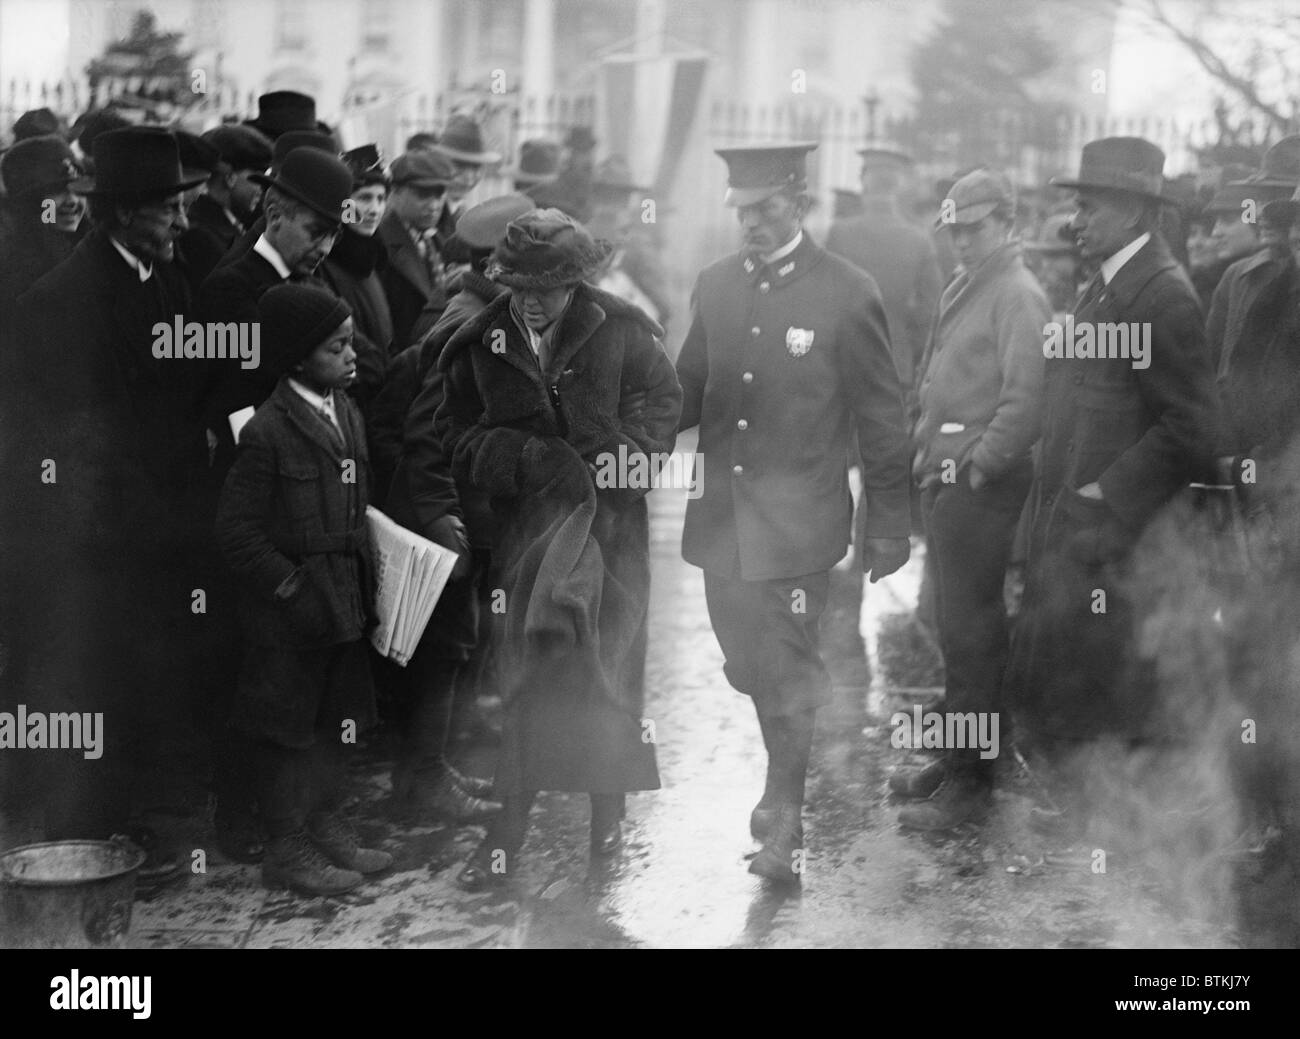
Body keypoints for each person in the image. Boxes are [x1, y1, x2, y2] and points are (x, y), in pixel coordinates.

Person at [676, 143, 912, 881]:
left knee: (785, 664)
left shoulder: (847, 290)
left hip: (800, 524)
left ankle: (786, 809)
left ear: (800, 205)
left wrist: (890, 521)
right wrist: (614, 442)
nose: (750, 222)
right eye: (741, 211)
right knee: (746, 661)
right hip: (720, 520)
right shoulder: (714, 286)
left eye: (766, 209)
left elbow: (881, 414)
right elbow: (684, 387)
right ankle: (782, 780)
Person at [435, 208, 682, 889]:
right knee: (528, 678)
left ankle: (608, 826)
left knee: (608, 675)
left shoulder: (624, 331)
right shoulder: (478, 344)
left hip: (612, 538)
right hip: (529, 543)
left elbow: (665, 403)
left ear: (578, 281)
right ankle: (506, 836)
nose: (534, 301)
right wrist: (518, 459)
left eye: (549, 286)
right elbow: (452, 434)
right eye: (520, 285)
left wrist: (625, 459)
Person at [1005, 137, 1222, 839]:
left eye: (1089, 205)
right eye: (1075, 204)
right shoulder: (1106, 282)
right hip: (1074, 526)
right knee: (1070, 686)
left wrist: (1109, 489)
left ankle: (1115, 860)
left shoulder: (1163, 295)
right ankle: (1085, 837)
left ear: (1133, 210)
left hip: (1116, 538)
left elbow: (1192, 426)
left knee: (1108, 697)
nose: (1076, 219)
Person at [10, 127, 210, 876]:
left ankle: (134, 827)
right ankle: (88, 842)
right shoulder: (60, 302)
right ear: (124, 213)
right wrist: (165, 522)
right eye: (169, 210)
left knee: (144, 682)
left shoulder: (159, 275)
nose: (184, 223)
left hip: (152, 525)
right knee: (94, 681)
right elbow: (84, 442)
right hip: (93, 537)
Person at [215, 282, 392, 896]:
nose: (351, 357)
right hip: (288, 618)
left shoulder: (348, 412)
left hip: (343, 601)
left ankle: (325, 822)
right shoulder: (267, 431)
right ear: (294, 359)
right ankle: (286, 846)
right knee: (284, 729)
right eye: (335, 348)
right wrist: (290, 588)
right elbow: (236, 533)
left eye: (351, 344)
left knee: (336, 719)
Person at [367, 195, 534, 827]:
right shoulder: (469, 325)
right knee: (440, 652)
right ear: (496, 263)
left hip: (458, 513)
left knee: (455, 647)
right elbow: (425, 434)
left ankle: (428, 769)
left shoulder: (491, 311)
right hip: (439, 517)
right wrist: (445, 526)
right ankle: (420, 784)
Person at [892, 168, 1049, 829]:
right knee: (958, 634)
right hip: (949, 483)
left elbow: (1025, 400)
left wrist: (980, 467)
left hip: (980, 489)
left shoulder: (1017, 294)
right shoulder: (971, 284)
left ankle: (972, 787)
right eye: (956, 230)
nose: (962, 241)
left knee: (976, 635)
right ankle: (959, 758)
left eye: (976, 228)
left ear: (1008, 225)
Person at [826, 145, 943, 395]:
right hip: (896, 363)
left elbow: (824, 301)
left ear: (863, 182)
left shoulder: (840, 233)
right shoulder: (919, 240)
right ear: (899, 186)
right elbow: (930, 313)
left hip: (844, 362)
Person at [318, 144, 394, 416]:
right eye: (364, 198)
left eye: (381, 198)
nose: (374, 209)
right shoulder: (324, 262)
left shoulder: (374, 259)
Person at [378, 149, 457, 351]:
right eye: (422, 195)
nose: (433, 205)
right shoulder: (379, 245)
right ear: (394, 192)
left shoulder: (438, 241)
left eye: (439, 195)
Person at [177, 124, 272, 289]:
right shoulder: (201, 237)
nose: (261, 189)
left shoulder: (224, 226)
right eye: (257, 178)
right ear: (229, 176)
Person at [0, 134, 86, 316]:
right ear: (29, 204)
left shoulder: (91, 246)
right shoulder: (18, 270)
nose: (72, 201)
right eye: (57, 191)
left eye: (77, 189)